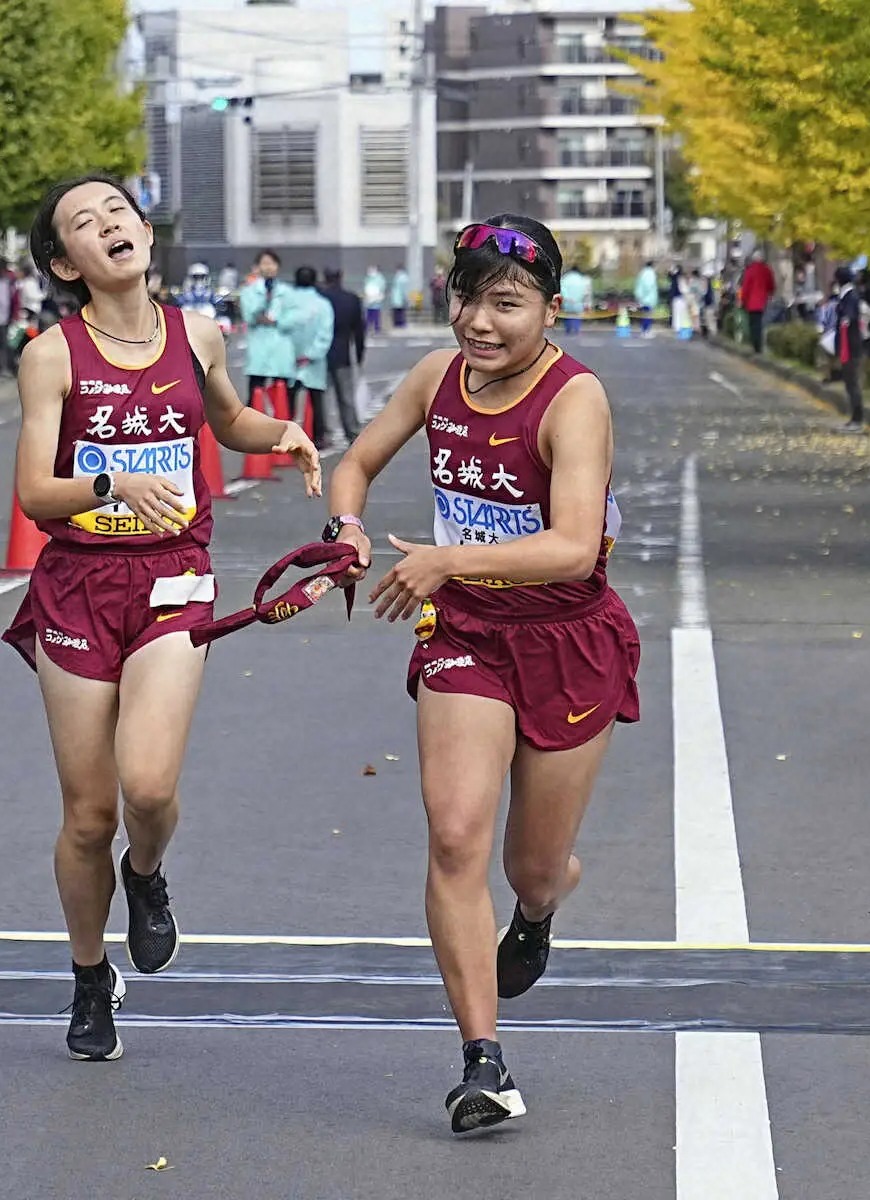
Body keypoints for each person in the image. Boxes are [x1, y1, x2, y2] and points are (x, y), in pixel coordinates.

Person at [327, 214, 639, 1134]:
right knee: (457, 835)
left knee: (529, 865)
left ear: (550, 308)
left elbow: (577, 549)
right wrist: (346, 528)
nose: (480, 322)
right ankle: (483, 1062)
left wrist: (448, 559)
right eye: (468, 297)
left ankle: (539, 910)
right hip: (464, 634)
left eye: (507, 303)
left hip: (565, 636)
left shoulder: (574, 399)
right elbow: (358, 461)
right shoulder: (436, 378)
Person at [3, 173, 320, 1063]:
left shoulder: (199, 333)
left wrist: (282, 434)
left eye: (118, 212)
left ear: (142, 232)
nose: (109, 225)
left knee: (146, 788)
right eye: (83, 224)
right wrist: (111, 482)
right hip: (77, 584)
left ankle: (146, 878)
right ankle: (88, 973)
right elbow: (34, 491)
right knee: (86, 815)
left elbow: (225, 422)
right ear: (66, 262)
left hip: (174, 578)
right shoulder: (52, 355)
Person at [285, 266, 335, 449]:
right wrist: (311, 354)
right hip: (314, 361)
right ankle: (318, 436)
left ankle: (285, 436)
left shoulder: (287, 301)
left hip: (290, 358)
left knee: (288, 399)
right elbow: (326, 333)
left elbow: (282, 327)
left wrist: (293, 354)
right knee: (316, 400)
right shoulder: (323, 304)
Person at [239, 249, 295, 408]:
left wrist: (276, 321)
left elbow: (293, 318)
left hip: (281, 348)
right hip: (259, 348)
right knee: (255, 394)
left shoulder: (287, 292)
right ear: (258, 267)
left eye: (272, 263)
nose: (269, 267)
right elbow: (249, 316)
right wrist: (263, 301)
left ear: (278, 266)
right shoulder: (249, 292)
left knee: (283, 396)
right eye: (264, 263)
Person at [322, 267, 366, 445]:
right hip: (343, 353)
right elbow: (359, 330)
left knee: (323, 396)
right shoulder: (351, 299)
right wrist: (359, 353)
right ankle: (352, 432)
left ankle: (324, 432)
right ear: (341, 277)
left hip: (321, 353)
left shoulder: (320, 298)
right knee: (346, 397)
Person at [832, 266, 866, 432]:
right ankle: (855, 418)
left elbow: (848, 317)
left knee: (852, 383)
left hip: (851, 347)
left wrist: (845, 319)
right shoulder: (848, 296)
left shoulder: (850, 297)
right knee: (850, 383)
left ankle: (857, 419)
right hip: (850, 346)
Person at [739, 248, 776, 354]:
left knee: (753, 323)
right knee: (760, 323)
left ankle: (755, 344)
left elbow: (745, 287)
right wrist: (770, 294)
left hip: (751, 302)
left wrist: (743, 300)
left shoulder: (749, 270)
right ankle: (759, 345)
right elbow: (771, 284)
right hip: (763, 301)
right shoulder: (767, 270)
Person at [559, 263, 590, 334]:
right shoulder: (582, 279)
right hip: (578, 302)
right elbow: (586, 291)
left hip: (567, 302)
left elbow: (561, 289)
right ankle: (576, 329)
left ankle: (568, 330)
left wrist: (566, 297)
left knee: (567, 316)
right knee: (577, 316)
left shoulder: (565, 278)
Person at [634, 261, 659, 338]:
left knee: (645, 315)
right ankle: (646, 331)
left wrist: (640, 296)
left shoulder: (642, 273)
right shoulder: (650, 273)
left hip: (642, 298)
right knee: (648, 315)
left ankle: (644, 331)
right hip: (649, 298)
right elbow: (648, 286)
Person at [363, 265, 386, 335]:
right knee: (369, 315)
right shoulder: (368, 278)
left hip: (376, 299)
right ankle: (368, 328)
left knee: (375, 315)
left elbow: (382, 287)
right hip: (369, 299)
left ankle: (376, 329)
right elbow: (366, 286)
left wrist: (378, 295)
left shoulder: (379, 278)